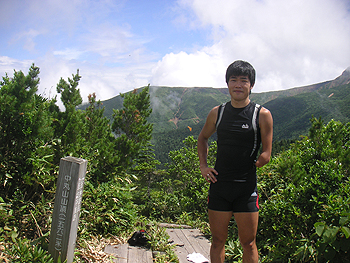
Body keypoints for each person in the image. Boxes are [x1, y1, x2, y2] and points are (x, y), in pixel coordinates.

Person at [197, 60, 273, 263]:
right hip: (219, 186)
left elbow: (267, 150)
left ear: (251, 85)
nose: (238, 85)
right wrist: (204, 166)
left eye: (243, 80)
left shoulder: (262, 115)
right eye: (233, 80)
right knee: (217, 241)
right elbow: (202, 137)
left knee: (248, 243)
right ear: (227, 84)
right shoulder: (218, 113)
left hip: (246, 188)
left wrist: (264, 157)